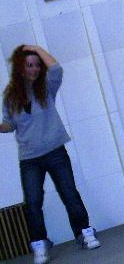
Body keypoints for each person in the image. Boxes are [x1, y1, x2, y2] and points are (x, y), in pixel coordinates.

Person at [1, 45, 100, 264]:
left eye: (37, 65)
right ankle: (39, 244)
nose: (34, 69)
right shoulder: (10, 96)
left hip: (55, 151)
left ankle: (84, 233)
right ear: (20, 67)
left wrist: (35, 48)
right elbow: (9, 124)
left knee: (69, 193)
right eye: (29, 65)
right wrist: (1, 127)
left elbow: (56, 69)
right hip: (29, 158)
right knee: (33, 201)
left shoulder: (46, 87)